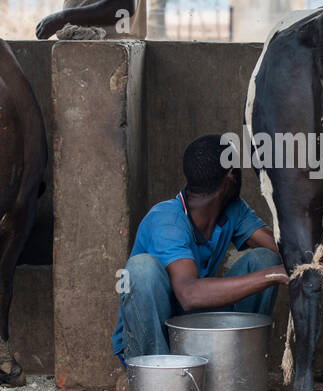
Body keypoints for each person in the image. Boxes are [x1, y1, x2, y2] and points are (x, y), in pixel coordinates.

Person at [114, 134, 287, 365]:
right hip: (156, 333)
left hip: (193, 327)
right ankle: (153, 376)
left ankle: (237, 368)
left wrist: (315, 259)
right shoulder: (166, 220)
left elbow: (279, 247)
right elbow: (189, 294)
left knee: (265, 260)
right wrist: (273, 276)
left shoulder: (232, 209)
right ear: (230, 178)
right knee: (141, 269)